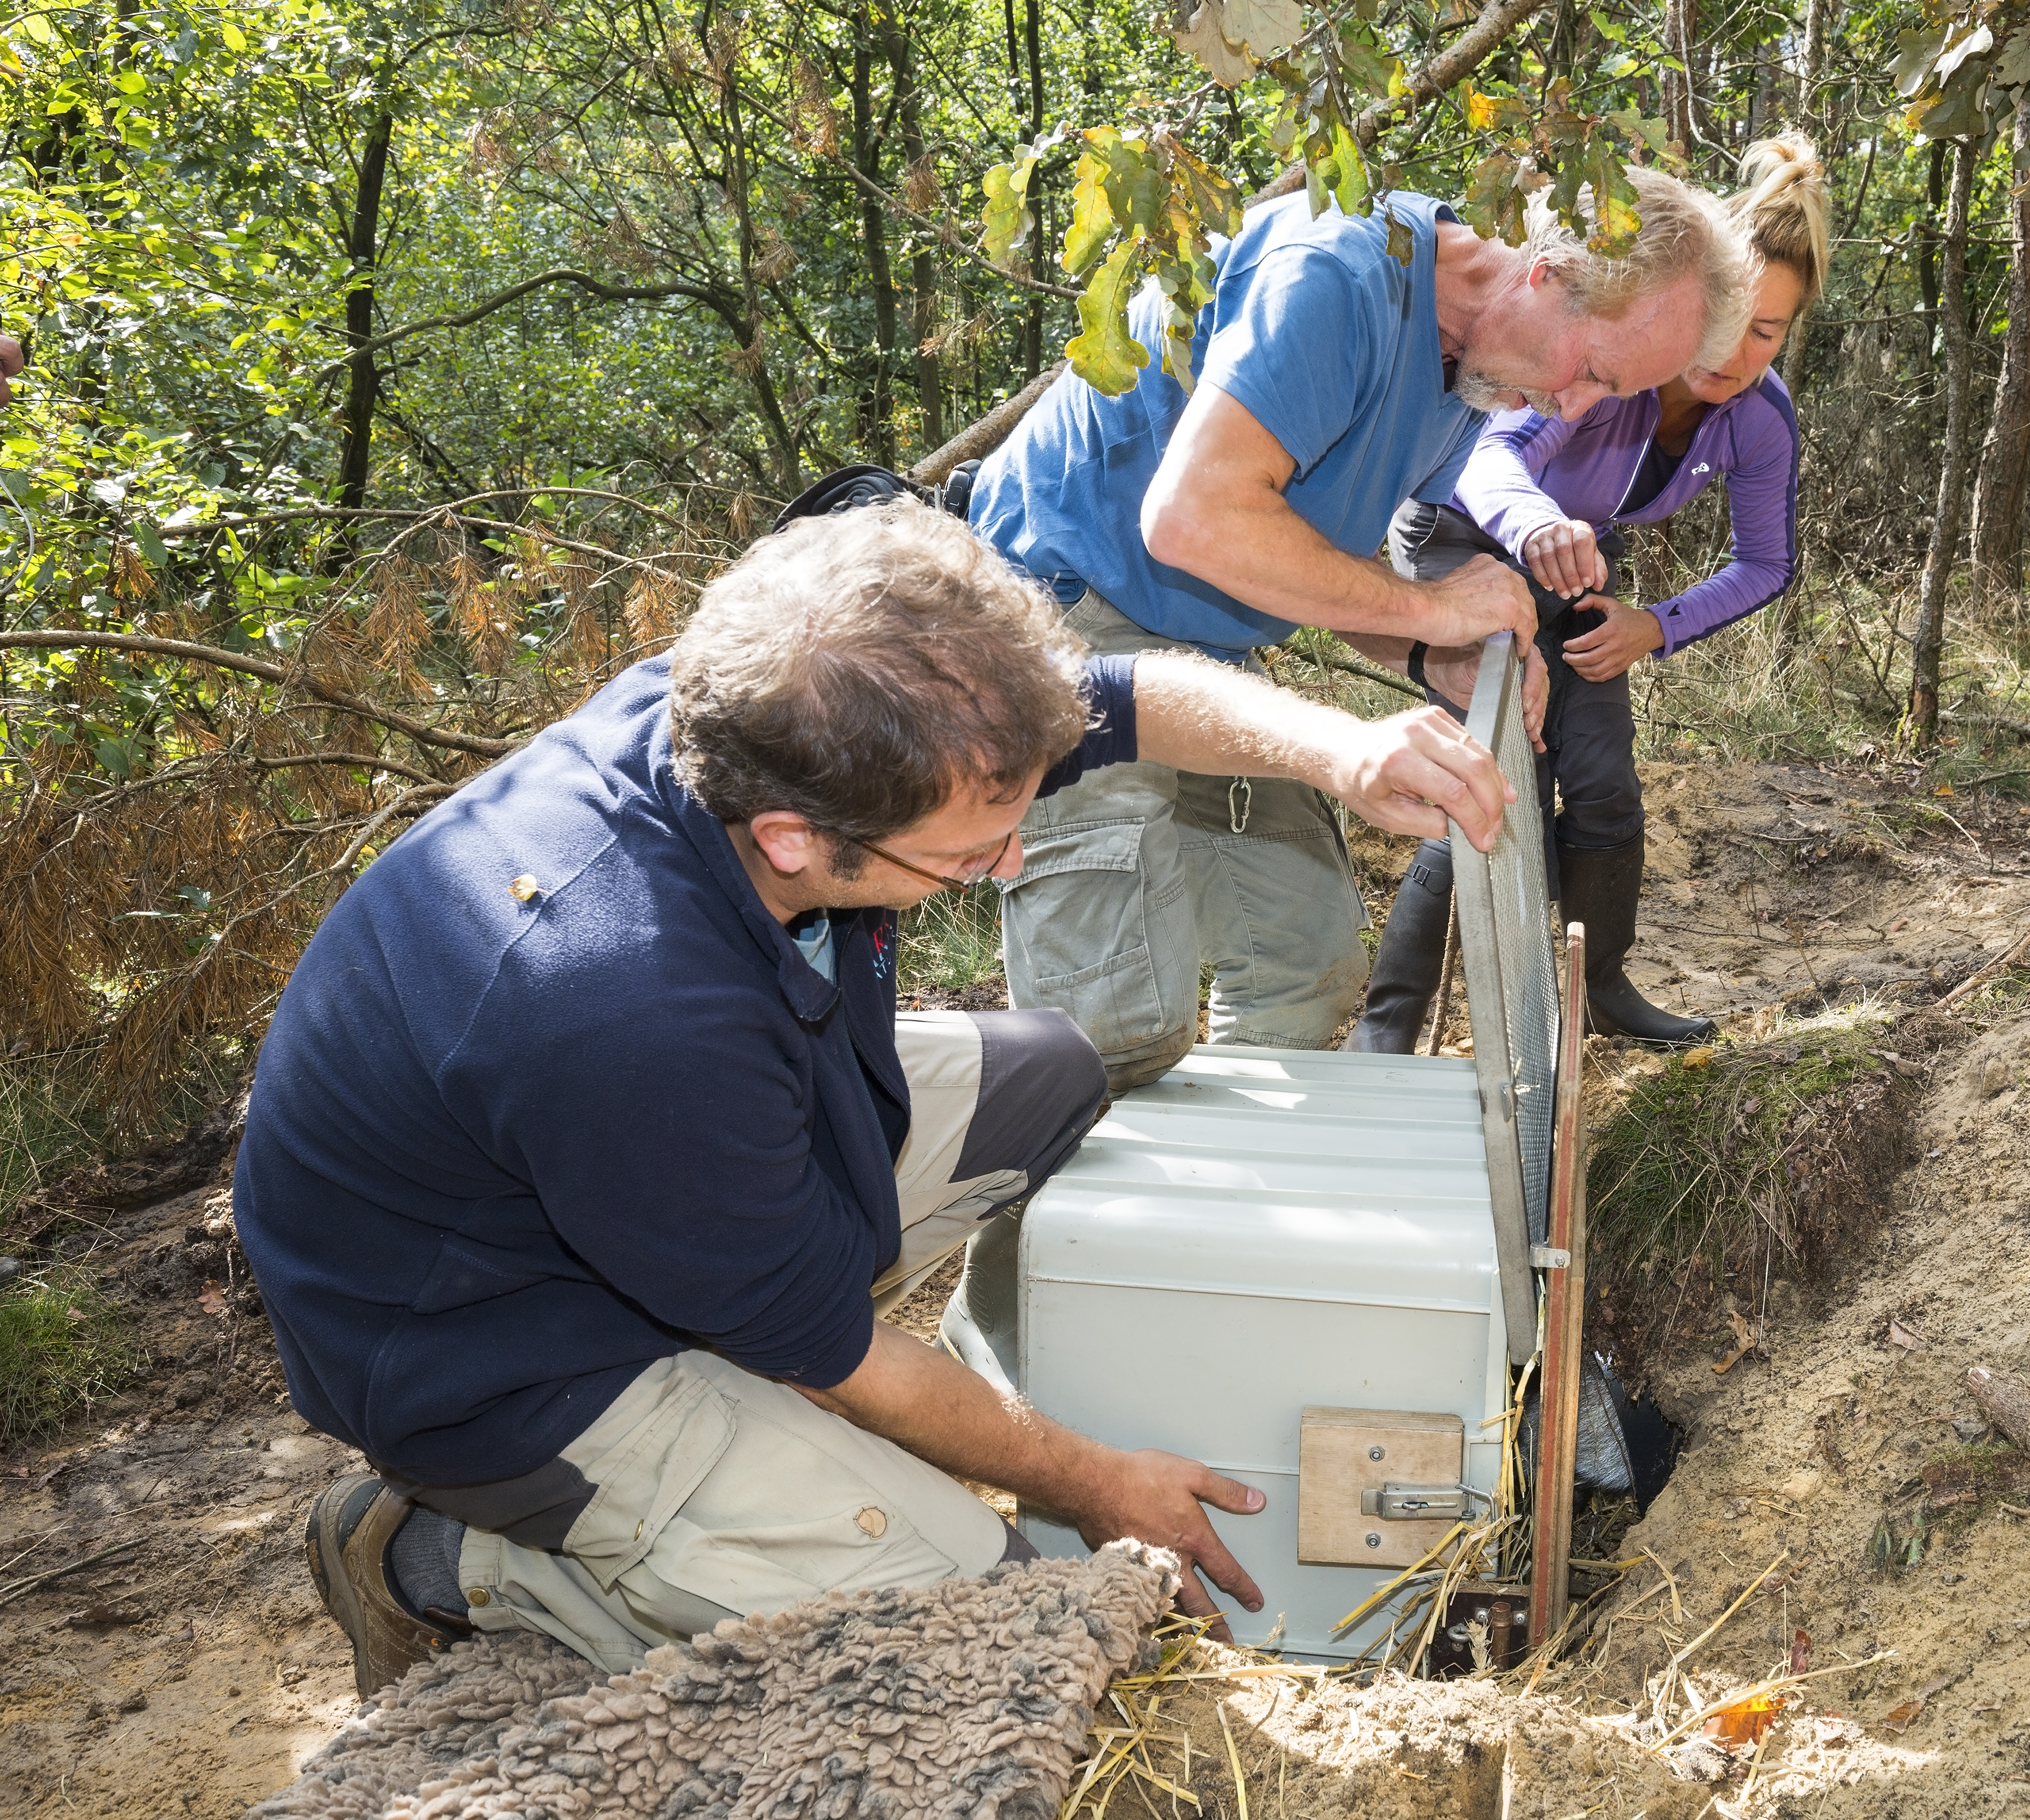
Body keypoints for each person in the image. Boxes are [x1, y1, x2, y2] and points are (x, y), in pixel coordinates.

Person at [238, 497, 1516, 1694]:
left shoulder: (805, 706)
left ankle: (763, 1370)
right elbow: (840, 1359)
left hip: (651, 1174)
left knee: (1057, 1075)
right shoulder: (628, 1009)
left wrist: (1343, 750)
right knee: (1006, 1636)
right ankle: (445, 1556)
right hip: (503, 1348)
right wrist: (1091, 1476)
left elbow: (1124, 696)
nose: (1010, 861)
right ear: (794, 838)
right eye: (969, 854)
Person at [966, 168, 1750, 1095]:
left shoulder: (1473, 372)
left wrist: (1429, 652)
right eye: (1593, 374)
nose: (1574, 408)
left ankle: (1231, 1177)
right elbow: (1192, 519)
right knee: (1114, 1033)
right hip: (1061, 620)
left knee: (1306, 959)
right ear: (1547, 276)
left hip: (1202, 651)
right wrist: (1435, 609)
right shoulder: (1335, 277)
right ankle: (1084, 1176)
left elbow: (1313, 558)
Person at [1347, 134, 1831, 1051]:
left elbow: (1767, 563)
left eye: (1768, 332)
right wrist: (1536, 524)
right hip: (1462, 534)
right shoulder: (1612, 363)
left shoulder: (1762, 421)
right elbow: (1492, 456)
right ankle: (1388, 1027)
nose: (1737, 352)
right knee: (1500, 779)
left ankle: (1600, 985)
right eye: (1732, 319)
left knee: (1605, 778)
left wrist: (1655, 626)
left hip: (1570, 567)